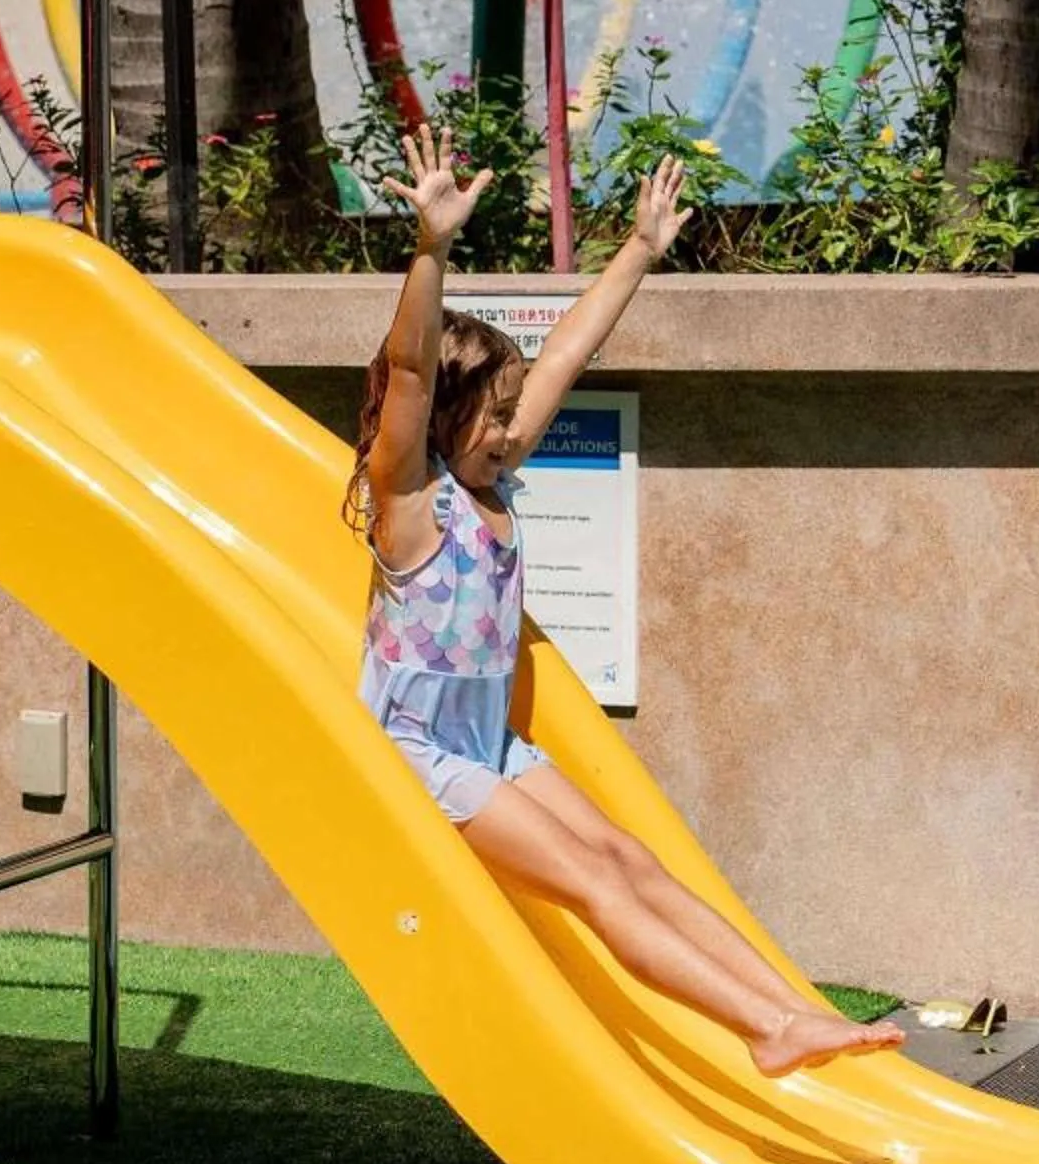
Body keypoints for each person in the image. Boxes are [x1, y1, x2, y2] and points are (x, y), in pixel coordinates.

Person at [348, 129, 903, 1078]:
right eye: (495, 409)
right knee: (600, 884)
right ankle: (765, 1033)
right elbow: (406, 371)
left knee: (635, 860)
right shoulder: (410, 503)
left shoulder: (494, 479)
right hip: (423, 759)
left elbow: (571, 345)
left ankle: (788, 1008)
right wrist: (431, 247)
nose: (516, 423)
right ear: (445, 417)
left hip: (488, 747)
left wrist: (642, 247)